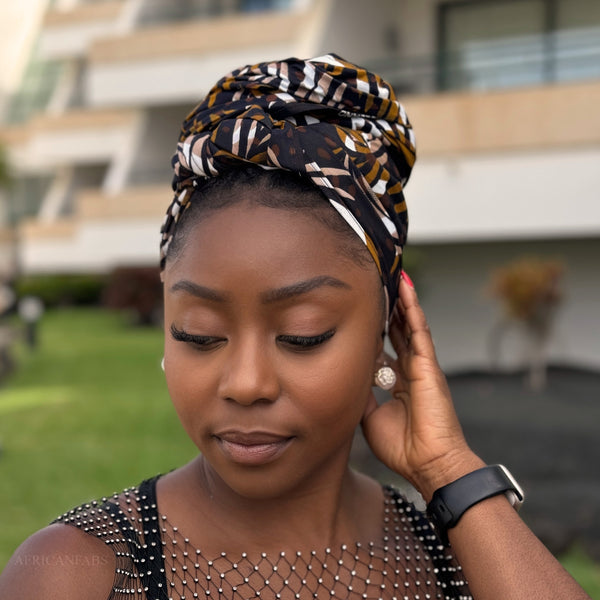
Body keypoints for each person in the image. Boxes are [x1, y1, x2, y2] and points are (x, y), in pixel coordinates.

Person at [0, 54, 589, 600]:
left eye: (302, 335)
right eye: (199, 334)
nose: (246, 383)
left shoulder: (456, 559)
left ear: (389, 332)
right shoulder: (75, 573)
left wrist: (448, 471)